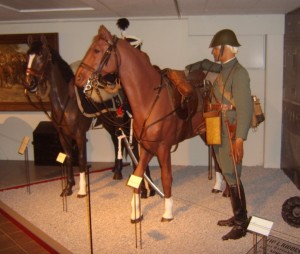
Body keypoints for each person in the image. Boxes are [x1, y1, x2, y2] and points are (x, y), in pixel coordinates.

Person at [208, 29, 253, 240]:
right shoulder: (222, 71)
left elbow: (245, 108)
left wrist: (240, 139)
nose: (213, 52)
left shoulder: (239, 73)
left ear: (225, 49)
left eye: (216, 48)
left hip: (230, 129)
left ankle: (242, 222)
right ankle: (237, 216)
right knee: (226, 171)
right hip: (217, 126)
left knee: (233, 173)